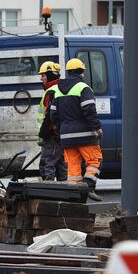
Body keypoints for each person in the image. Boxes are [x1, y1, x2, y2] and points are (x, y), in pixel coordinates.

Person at [49, 57, 103, 201]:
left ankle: (76, 197)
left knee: (73, 168)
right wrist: (97, 127)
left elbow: (53, 114)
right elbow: (89, 110)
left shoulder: (58, 90)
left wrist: (60, 129)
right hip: (85, 134)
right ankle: (89, 186)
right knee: (94, 160)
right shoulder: (84, 88)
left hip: (66, 136)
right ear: (80, 72)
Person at [36, 61, 66, 181]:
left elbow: (49, 116)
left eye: (43, 75)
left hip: (51, 136)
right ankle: (64, 192)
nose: (41, 78)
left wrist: (42, 134)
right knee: (61, 165)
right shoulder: (61, 89)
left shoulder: (51, 92)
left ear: (50, 75)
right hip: (59, 135)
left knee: (47, 165)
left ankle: (49, 193)